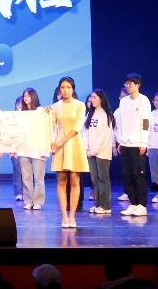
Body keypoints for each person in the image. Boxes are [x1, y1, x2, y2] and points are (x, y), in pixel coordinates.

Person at [49, 76, 88, 228]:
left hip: (74, 143)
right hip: (59, 144)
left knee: (75, 180)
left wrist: (61, 142)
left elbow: (77, 127)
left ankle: (72, 216)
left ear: (73, 89)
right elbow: (51, 126)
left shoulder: (80, 105)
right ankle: (64, 217)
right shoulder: (55, 106)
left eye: (68, 87)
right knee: (61, 180)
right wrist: (46, 115)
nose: (65, 90)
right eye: (63, 87)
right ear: (59, 89)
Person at [115, 73, 152, 217]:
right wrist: (119, 141)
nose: (128, 86)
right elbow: (121, 122)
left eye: (131, 83)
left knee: (138, 175)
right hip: (124, 143)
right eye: (126, 83)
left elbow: (145, 122)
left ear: (138, 85)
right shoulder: (124, 101)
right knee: (127, 176)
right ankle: (133, 204)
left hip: (137, 144)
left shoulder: (144, 100)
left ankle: (142, 205)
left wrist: (143, 143)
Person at [15, 87, 48, 210]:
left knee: (38, 178)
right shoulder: (20, 112)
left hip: (38, 149)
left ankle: (38, 201)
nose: (26, 98)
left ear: (33, 97)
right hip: (24, 148)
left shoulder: (41, 111)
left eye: (28, 95)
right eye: (24, 96)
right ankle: (28, 200)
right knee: (26, 177)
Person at [84, 89, 115, 214]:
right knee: (95, 179)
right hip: (90, 152)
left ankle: (105, 205)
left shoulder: (106, 115)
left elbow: (104, 136)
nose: (92, 100)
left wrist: (95, 150)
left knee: (103, 178)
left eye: (94, 97)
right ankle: (98, 204)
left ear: (101, 99)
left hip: (102, 152)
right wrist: (86, 147)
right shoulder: (90, 114)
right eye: (91, 97)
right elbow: (85, 132)